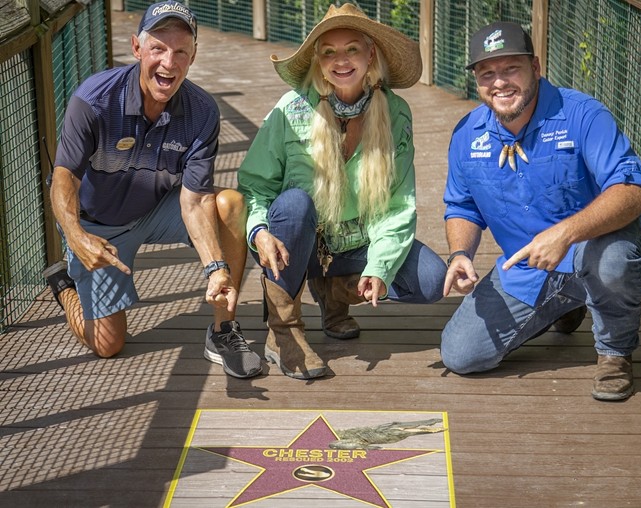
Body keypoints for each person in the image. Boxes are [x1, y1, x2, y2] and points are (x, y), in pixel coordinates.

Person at [43, 1, 262, 379]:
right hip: (99, 225)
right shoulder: (93, 100)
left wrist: (216, 268)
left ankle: (224, 330)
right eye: (158, 48)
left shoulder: (203, 111)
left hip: (159, 206)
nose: (168, 62)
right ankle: (63, 285)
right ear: (136, 48)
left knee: (230, 203)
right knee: (108, 345)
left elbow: (195, 200)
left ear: (193, 57)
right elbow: (65, 177)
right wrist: (77, 235)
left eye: (180, 51)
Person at [441, 21, 641, 401]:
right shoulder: (466, 135)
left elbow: (633, 191)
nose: (500, 82)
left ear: (536, 68)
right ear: (477, 81)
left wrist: (566, 233)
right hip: (526, 268)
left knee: (613, 261)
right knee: (461, 355)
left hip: (592, 250)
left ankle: (614, 353)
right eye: (487, 73)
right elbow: (461, 205)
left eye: (511, 69)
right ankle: (564, 307)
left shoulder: (583, 115)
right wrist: (460, 253)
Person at [237, 3, 446, 380]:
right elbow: (255, 185)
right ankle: (282, 331)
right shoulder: (290, 109)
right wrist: (259, 231)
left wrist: (380, 268)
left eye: (352, 48)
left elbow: (398, 205)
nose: (341, 60)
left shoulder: (396, 112)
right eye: (328, 51)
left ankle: (336, 293)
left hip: (358, 245)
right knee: (294, 204)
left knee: (431, 280)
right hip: (297, 247)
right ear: (317, 60)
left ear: (371, 54)